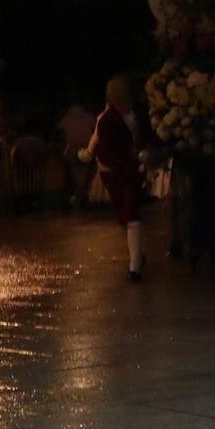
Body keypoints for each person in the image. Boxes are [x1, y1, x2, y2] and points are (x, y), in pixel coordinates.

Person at [83, 76, 153, 281]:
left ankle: (135, 265)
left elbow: (147, 134)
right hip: (113, 171)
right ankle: (137, 254)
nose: (125, 105)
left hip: (132, 170)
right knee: (125, 214)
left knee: (131, 213)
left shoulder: (139, 114)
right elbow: (107, 152)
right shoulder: (106, 121)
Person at [57, 100, 97, 207]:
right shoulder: (90, 117)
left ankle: (77, 197)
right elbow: (95, 132)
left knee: (78, 177)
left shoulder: (66, 118)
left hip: (71, 150)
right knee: (84, 176)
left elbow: (59, 132)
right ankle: (79, 197)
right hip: (87, 149)